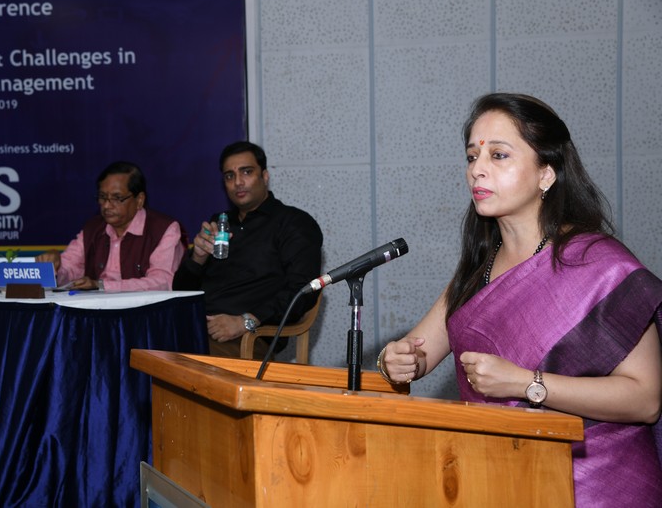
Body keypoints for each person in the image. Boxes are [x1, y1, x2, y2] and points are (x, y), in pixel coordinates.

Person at [378, 93, 662, 506]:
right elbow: (418, 355)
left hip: (595, 485)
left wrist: (526, 384)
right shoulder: (479, 268)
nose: (477, 169)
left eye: (498, 155)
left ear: (546, 173)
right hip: (501, 479)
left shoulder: (600, 266)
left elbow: (645, 399)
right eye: (472, 156)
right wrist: (395, 361)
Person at [173, 140, 323, 358]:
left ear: (265, 176)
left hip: (249, 337)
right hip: (194, 328)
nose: (238, 182)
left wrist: (246, 321)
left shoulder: (293, 223)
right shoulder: (220, 223)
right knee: (140, 349)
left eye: (246, 172)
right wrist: (197, 257)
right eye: (229, 176)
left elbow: (304, 290)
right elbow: (180, 292)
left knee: (175, 359)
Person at [36, 161, 186, 291]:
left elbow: (162, 282)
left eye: (117, 198)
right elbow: (71, 269)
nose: (107, 205)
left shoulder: (165, 229)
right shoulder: (93, 228)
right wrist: (54, 268)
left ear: (139, 200)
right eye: (102, 197)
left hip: (144, 313)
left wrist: (102, 286)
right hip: (97, 311)